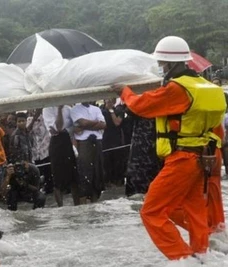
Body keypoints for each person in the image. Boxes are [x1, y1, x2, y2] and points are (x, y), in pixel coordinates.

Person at [113, 36, 226, 260]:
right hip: (203, 158)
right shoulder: (208, 87)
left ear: (172, 64)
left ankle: (185, 259)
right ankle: (203, 256)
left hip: (182, 158)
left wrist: (124, 92)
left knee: (151, 212)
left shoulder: (178, 90)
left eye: (162, 64)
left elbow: (140, 105)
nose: (161, 69)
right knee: (195, 214)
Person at [43, 105, 80, 207]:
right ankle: (60, 206)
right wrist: (59, 109)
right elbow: (58, 128)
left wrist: (64, 130)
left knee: (74, 177)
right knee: (57, 177)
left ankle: (77, 205)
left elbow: (75, 128)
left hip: (67, 141)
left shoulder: (68, 108)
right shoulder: (47, 109)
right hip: (56, 143)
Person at [70, 102, 106, 204]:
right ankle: (83, 206)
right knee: (84, 173)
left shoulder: (96, 109)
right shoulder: (75, 109)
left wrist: (85, 126)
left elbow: (103, 125)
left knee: (97, 173)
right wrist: (96, 123)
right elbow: (83, 123)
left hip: (97, 142)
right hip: (84, 143)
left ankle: (95, 203)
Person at [101, 98, 125, 187]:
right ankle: (107, 183)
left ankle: (118, 182)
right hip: (105, 140)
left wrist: (111, 111)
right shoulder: (101, 111)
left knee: (118, 163)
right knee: (106, 163)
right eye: (108, 99)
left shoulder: (119, 110)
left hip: (117, 140)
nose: (109, 101)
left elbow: (117, 123)